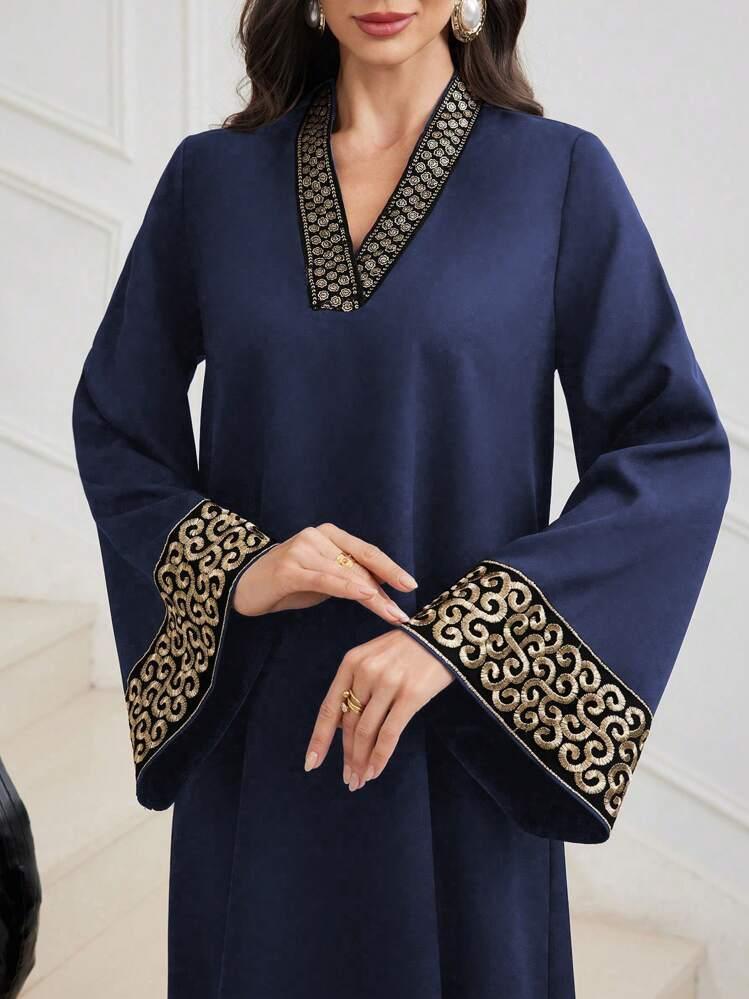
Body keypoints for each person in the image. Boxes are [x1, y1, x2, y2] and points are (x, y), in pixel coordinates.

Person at [71, 0, 731, 996]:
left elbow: (671, 448)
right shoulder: (212, 183)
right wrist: (238, 568)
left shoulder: (556, 177)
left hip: (458, 741)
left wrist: (460, 640)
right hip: (264, 745)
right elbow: (117, 422)